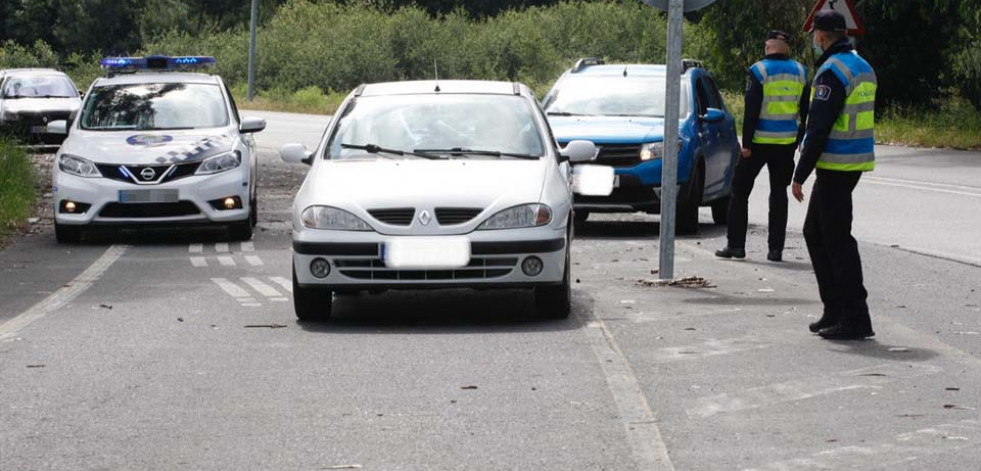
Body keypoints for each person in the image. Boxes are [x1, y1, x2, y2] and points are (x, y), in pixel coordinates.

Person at [794, 10, 877, 340]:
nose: (814, 40)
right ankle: (835, 309)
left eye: (815, 35)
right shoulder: (860, 64)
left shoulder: (832, 71)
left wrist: (800, 173)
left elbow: (819, 128)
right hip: (851, 163)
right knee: (815, 233)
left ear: (821, 36)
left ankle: (855, 317)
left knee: (837, 241)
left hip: (836, 165)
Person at [717, 30, 809, 262]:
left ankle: (736, 246)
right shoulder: (800, 71)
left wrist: (746, 144)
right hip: (786, 143)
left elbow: (752, 109)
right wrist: (801, 138)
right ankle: (775, 250)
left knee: (739, 192)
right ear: (786, 48)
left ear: (768, 46)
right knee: (779, 194)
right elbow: (806, 110)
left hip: (757, 143)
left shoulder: (759, 70)